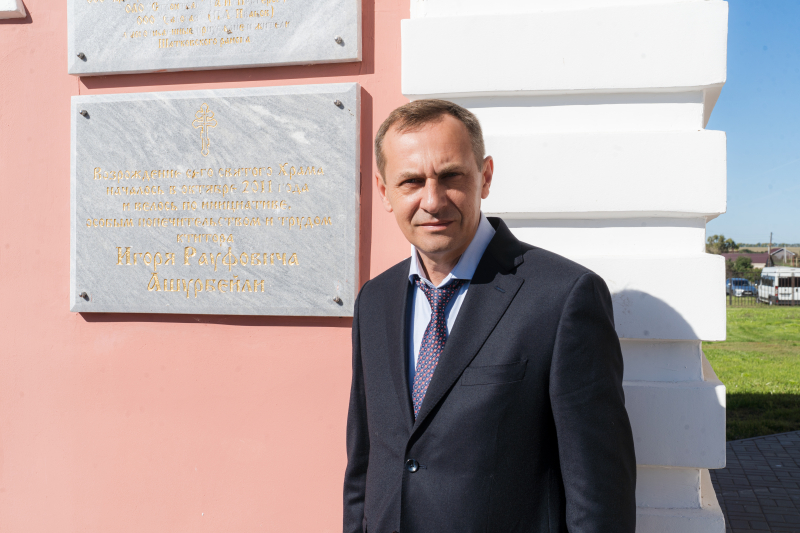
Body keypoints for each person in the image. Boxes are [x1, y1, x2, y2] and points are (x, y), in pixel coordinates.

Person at [343, 100, 636, 533]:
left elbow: (599, 494)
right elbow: (365, 461)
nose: (432, 200)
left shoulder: (563, 298)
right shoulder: (374, 299)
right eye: (411, 181)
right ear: (385, 191)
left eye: (451, 176)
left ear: (485, 176)